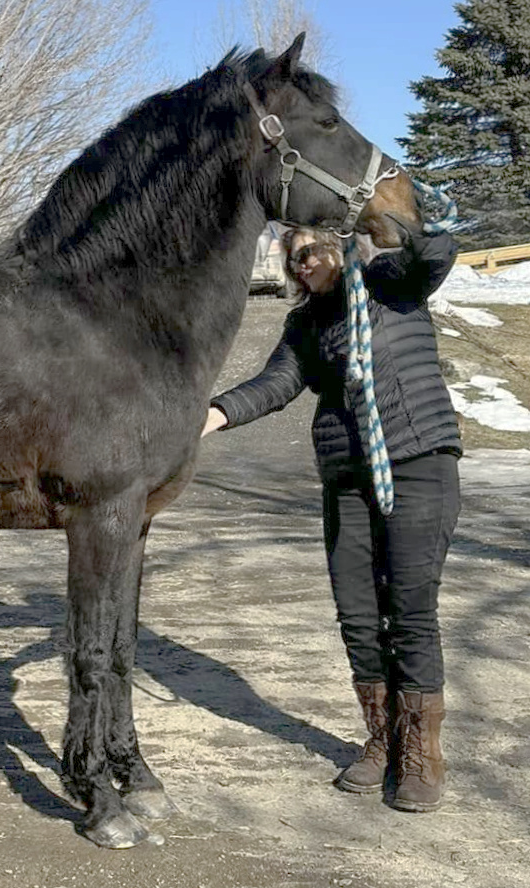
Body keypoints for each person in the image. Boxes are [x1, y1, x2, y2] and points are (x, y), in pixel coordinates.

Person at [201, 220, 461, 812]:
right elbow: (275, 384)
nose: (303, 263)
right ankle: (382, 742)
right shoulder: (307, 323)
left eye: (313, 250)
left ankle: (422, 752)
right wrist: (211, 416)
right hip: (347, 479)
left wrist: (395, 218)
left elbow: (434, 251)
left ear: (344, 246)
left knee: (410, 609)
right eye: (294, 258)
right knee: (358, 615)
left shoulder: (389, 284)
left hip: (417, 461)